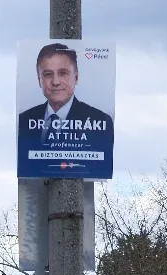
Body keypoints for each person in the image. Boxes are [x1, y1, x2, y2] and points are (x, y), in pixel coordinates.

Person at [17, 42, 114, 175]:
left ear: (76, 77)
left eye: (63, 73)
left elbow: (100, 168)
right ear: (39, 80)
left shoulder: (101, 121)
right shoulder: (24, 121)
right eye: (48, 74)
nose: (55, 82)